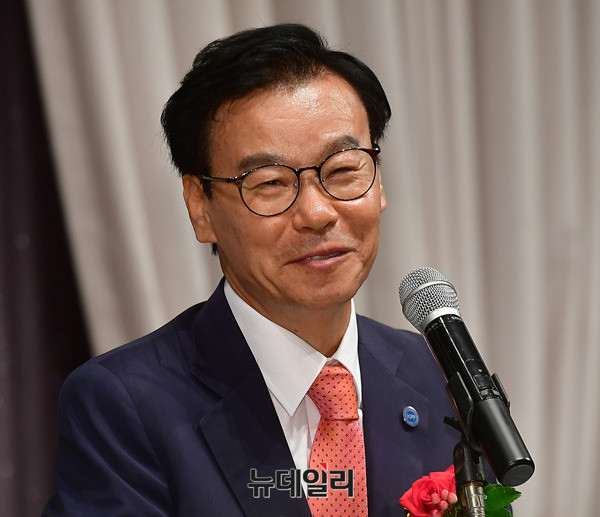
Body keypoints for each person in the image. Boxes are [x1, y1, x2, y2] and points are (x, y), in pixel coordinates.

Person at [43, 24, 462, 516]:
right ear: (200, 206)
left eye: (344, 170)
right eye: (270, 183)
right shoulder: (125, 406)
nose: (317, 213)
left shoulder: (436, 372)